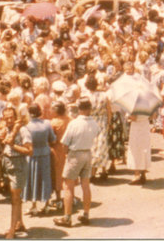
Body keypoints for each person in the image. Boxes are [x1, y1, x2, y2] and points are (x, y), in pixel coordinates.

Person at [54, 97, 99, 228]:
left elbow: (65, 143)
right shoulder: (94, 123)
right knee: (86, 184)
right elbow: (96, 135)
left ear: (79, 109)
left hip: (75, 153)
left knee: (68, 185)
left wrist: (67, 153)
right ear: (90, 108)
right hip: (87, 152)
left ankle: (67, 217)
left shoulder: (74, 123)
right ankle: (86, 214)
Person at [0, 104, 33, 239]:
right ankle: (20, 223)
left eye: (11, 118)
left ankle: (12, 231)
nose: (9, 120)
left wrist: (13, 145)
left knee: (15, 198)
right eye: (6, 118)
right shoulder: (6, 129)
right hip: (8, 163)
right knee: (15, 197)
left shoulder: (23, 131)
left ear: (16, 118)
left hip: (18, 164)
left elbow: (29, 151)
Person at [23, 103, 56, 214]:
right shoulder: (47, 123)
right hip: (45, 154)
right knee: (45, 179)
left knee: (32, 179)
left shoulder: (27, 126)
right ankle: (46, 204)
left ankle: (34, 205)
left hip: (31, 156)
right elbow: (53, 139)